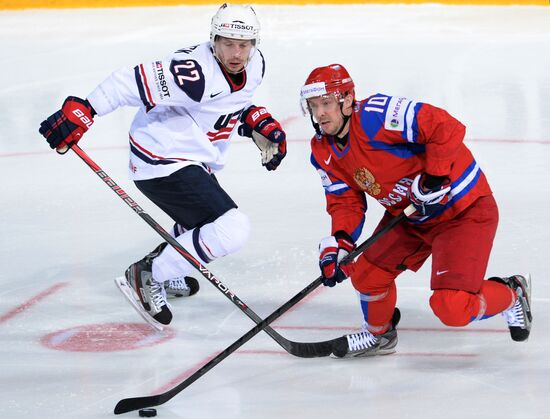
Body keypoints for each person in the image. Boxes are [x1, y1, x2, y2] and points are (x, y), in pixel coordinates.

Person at [38, 3, 287, 329]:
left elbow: (230, 103)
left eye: (244, 44)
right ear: (213, 39)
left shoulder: (256, 66)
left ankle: (167, 266)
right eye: (228, 43)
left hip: (192, 156)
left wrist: (253, 120)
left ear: (255, 44)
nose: (237, 52)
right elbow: (127, 82)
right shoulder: (193, 72)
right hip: (162, 158)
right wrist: (86, 109)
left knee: (202, 224)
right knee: (231, 228)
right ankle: (149, 273)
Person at [300, 63, 532, 358]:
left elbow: (443, 125)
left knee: (452, 308)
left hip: (461, 210)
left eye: (326, 104)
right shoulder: (323, 150)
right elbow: (345, 201)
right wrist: (341, 242)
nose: (319, 114)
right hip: (410, 215)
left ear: (347, 99)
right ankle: (379, 336)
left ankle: (512, 293)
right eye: (313, 106)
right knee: (367, 276)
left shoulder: (376, 115)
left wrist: (434, 175)